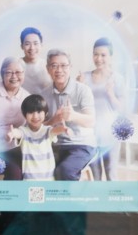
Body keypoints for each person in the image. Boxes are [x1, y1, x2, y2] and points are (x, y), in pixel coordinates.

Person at [41, 49, 97, 181]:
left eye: (63, 65)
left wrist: (73, 116)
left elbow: (91, 121)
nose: (59, 70)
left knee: (64, 171)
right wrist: (53, 120)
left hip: (82, 145)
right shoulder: (44, 94)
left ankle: (69, 201)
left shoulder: (83, 90)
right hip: (55, 145)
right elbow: (39, 127)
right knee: (37, 168)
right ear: (48, 69)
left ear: (70, 68)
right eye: (54, 65)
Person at [79, 37, 124, 180]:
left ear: (110, 57)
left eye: (103, 55)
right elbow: (75, 106)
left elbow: (122, 109)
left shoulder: (117, 79)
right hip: (89, 136)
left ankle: (111, 202)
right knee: (95, 175)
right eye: (95, 54)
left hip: (110, 134)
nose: (98, 58)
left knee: (111, 173)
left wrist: (110, 94)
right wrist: (80, 88)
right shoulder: (84, 77)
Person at [7, 94, 67, 180]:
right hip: (29, 179)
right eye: (31, 112)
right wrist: (12, 133)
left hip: (48, 178)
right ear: (25, 115)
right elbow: (18, 133)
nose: (35, 116)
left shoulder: (47, 130)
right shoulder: (24, 131)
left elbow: (54, 131)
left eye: (39, 112)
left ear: (45, 113)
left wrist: (63, 129)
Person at [19, 27, 52, 92]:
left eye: (35, 43)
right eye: (27, 44)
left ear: (41, 45)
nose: (32, 48)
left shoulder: (48, 65)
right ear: (22, 46)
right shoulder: (16, 65)